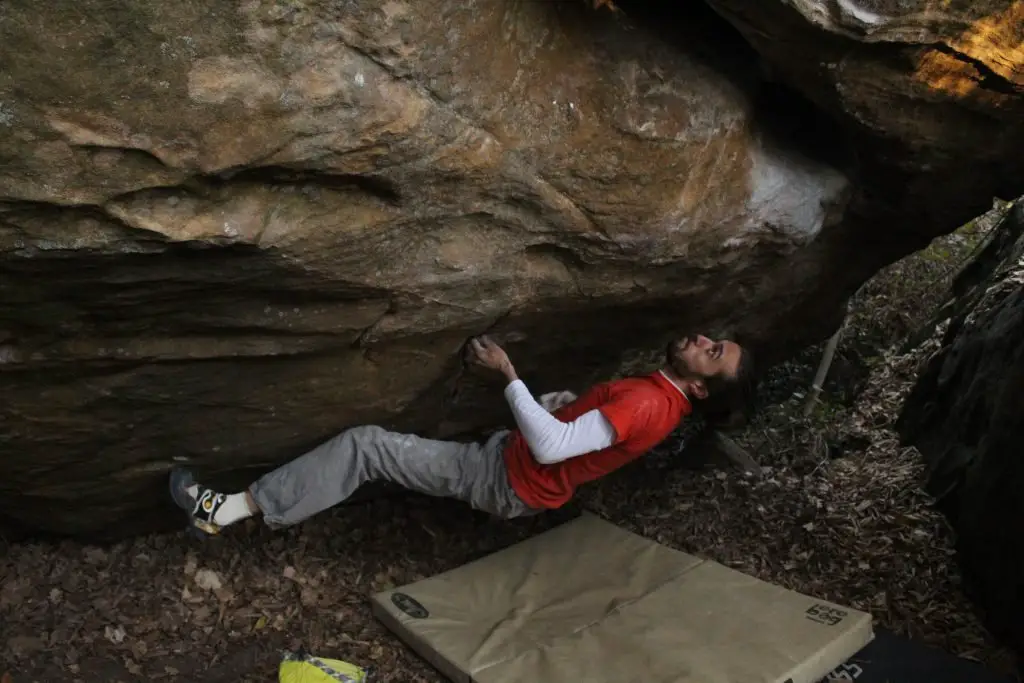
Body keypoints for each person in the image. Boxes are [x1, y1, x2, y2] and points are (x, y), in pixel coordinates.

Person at [169, 333, 753, 535]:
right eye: (713, 340)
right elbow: (587, 429)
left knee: (365, 446)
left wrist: (508, 374)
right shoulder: (660, 399)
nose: (703, 340)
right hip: (513, 469)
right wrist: (563, 405)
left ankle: (225, 512)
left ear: (701, 388)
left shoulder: (651, 403)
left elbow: (553, 446)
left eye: (713, 353)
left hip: (506, 478)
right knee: (378, 450)